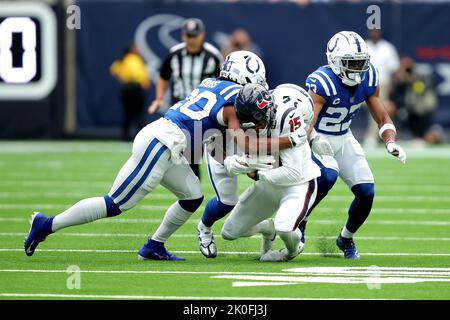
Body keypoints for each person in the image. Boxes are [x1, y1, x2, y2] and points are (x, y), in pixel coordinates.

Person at [24, 50, 305, 261]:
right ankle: (47, 224)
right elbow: (243, 141)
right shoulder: (234, 102)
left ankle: (154, 246)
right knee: (115, 204)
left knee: (192, 195)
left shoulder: (209, 83)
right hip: (161, 143)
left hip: (170, 143)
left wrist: (233, 160)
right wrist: (287, 141)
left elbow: (211, 132)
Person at [300, 31, 407, 259]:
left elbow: (382, 117)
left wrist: (389, 142)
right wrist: (309, 142)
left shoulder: (368, 78)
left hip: (344, 137)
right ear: (335, 61)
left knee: (367, 192)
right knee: (327, 177)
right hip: (320, 136)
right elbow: (307, 124)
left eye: (361, 62)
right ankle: (301, 219)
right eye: (351, 63)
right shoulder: (322, 82)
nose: (358, 68)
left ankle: (345, 238)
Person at [197, 81, 333, 259]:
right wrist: (233, 162)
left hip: (298, 184)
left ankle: (291, 251)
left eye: (259, 121)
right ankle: (268, 228)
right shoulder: (246, 119)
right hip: (268, 184)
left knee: (284, 228)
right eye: (249, 125)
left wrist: (256, 172)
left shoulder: (287, 117)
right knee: (229, 232)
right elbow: (237, 154)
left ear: (269, 110)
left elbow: (293, 173)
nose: (256, 128)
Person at [148, 18, 224, 178]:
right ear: (183, 36)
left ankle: (196, 186)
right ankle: (189, 186)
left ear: (202, 35)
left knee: (201, 155)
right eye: (188, 36)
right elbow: (163, 76)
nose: (191, 40)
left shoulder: (213, 55)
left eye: (194, 36)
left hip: (204, 112)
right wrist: (159, 98)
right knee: (182, 153)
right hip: (181, 109)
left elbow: (223, 83)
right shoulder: (175, 54)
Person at [390, 56, 441, 144]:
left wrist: (411, 80)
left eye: (408, 67)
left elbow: (420, 89)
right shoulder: (397, 78)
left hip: (420, 109)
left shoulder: (419, 76)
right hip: (404, 109)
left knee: (428, 133)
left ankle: (423, 136)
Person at [363, 29, 400, 147]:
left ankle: (371, 137)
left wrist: (392, 89)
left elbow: (394, 71)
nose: (375, 33)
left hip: (382, 85)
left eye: (377, 31)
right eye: (373, 31)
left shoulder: (387, 48)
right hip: (362, 84)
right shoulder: (364, 46)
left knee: (377, 107)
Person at [110, 43, 150, 141]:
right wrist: (143, 82)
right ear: (132, 49)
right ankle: (141, 137)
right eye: (135, 48)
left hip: (125, 88)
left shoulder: (123, 59)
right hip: (135, 88)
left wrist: (122, 77)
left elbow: (114, 69)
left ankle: (125, 136)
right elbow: (136, 73)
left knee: (128, 114)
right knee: (138, 114)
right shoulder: (133, 59)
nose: (138, 49)